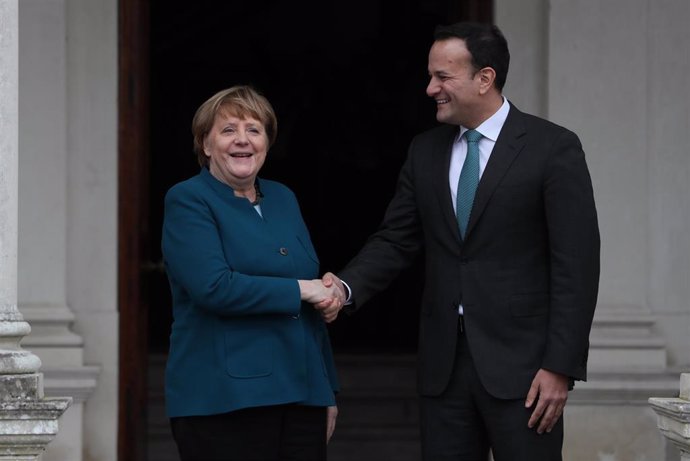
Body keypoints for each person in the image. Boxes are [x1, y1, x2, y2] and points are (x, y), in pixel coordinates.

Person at [319, 21, 600, 461]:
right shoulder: (425, 150)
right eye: (431, 76)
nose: (431, 88)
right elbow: (396, 240)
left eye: (442, 77)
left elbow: (576, 267)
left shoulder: (553, 148)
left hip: (526, 371)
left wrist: (559, 366)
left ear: (484, 78)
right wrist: (344, 287)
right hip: (443, 368)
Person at [161, 84, 342, 461]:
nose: (242, 140)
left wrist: (326, 392)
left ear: (267, 143)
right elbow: (215, 287)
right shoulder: (188, 200)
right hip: (225, 401)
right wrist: (303, 289)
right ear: (205, 145)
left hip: (302, 396)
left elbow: (310, 302)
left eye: (254, 130)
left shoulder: (283, 197)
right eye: (228, 130)